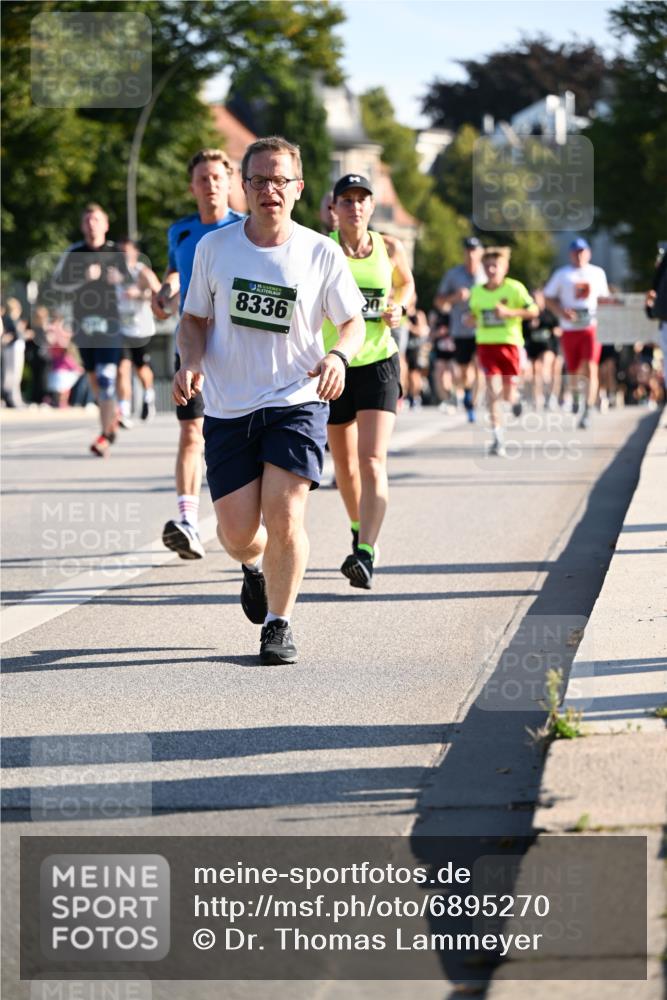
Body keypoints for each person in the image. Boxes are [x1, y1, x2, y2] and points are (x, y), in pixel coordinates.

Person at [174, 136, 365, 664]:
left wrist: (338, 358)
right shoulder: (214, 249)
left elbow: (352, 322)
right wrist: (190, 360)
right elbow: (193, 319)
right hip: (229, 406)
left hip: (297, 401)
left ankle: (278, 625)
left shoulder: (319, 251)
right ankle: (253, 566)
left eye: (280, 180)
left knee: (285, 517)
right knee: (238, 534)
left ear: (298, 189)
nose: (269, 190)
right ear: (245, 185)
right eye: (259, 179)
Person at [322, 173, 414, 590]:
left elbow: (406, 284)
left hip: (379, 360)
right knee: (343, 466)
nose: (355, 206)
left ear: (371, 207)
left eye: (362, 199)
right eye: (347, 199)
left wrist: (398, 306)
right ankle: (359, 526)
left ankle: (366, 553)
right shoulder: (322, 250)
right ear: (333, 208)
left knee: (371, 459)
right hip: (335, 364)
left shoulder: (389, 246)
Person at [153, 149, 245, 559]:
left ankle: (244, 521)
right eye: (202, 179)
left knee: (239, 436)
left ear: (229, 183)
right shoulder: (181, 232)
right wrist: (167, 288)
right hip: (192, 345)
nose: (210, 185)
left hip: (238, 350)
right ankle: (188, 521)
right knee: (191, 432)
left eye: (216, 178)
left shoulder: (246, 228)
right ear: (192, 186)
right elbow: (175, 270)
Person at [51, 203, 129, 455]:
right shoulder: (74, 252)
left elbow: (131, 284)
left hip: (111, 324)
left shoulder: (116, 252)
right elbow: (57, 286)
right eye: (87, 220)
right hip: (84, 325)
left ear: (105, 225)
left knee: (106, 378)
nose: (91, 224)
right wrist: (85, 278)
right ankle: (111, 416)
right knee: (94, 379)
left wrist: (120, 282)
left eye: (96, 219)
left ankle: (105, 436)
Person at [467, 247, 538, 456]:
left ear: (504, 268)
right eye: (487, 265)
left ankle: (515, 401)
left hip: (510, 345)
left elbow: (534, 311)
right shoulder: (477, 292)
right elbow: (472, 315)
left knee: (507, 394)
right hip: (486, 345)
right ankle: (497, 437)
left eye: (495, 266)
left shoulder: (515, 288)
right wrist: (469, 320)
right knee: (491, 388)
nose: (491, 270)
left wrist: (509, 312)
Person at [544, 238, 611, 429]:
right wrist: (560, 312)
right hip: (569, 328)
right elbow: (548, 297)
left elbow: (605, 299)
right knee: (573, 370)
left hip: (591, 327)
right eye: (576, 252)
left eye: (582, 251)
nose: (579, 255)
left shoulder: (597, 273)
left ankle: (588, 409)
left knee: (591, 366)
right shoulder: (562, 274)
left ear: (588, 253)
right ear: (570, 254)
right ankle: (575, 396)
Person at [434, 237, 486, 422]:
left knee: (480, 367)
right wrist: (455, 297)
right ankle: (466, 396)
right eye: (468, 250)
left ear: (481, 253)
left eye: (475, 250)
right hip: (460, 330)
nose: (471, 254)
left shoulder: (487, 274)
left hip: (483, 331)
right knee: (463, 372)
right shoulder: (453, 275)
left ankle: (473, 403)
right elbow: (439, 302)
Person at [116, 238, 161, 427]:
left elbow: (159, 291)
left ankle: (148, 395)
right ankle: (124, 411)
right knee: (122, 369)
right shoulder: (113, 272)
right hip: (120, 329)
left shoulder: (142, 272)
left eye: (126, 252)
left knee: (141, 369)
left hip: (141, 328)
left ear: (135, 253)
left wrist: (140, 294)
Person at [521, 289, 560, 410]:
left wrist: (555, 331)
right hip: (532, 347)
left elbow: (558, 329)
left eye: (538, 298)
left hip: (547, 346)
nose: (536, 301)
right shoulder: (527, 315)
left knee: (543, 365)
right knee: (534, 372)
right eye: (533, 299)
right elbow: (522, 333)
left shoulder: (549, 314)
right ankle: (537, 396)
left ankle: (550, 394)